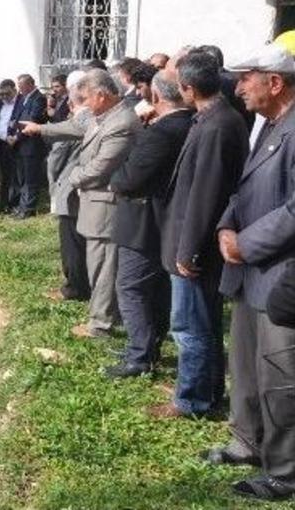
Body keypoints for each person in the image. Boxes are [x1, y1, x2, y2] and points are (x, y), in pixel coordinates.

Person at [208, 43, 295, 500]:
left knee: (280, 374)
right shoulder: (269, 125)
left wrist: (246, 242)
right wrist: (226, 225)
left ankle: (284, 470)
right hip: (247, 272)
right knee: (244, 364)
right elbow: (244, 186)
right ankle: (247, 442)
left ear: (275, 83)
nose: (238, 87)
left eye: (247, 78)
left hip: (279, 273)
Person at [150, 49, 248, 420]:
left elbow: (206, 194)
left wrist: (188, 250)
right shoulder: (213, 118)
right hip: (193, 240)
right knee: (201, 322)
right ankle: (206, 393)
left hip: (195, 245)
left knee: (189, 325)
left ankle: (192, 400)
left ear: (188, 88)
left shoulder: (217, 125)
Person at [22, 69, 139, 338]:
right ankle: (104, 315)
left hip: (106, 205)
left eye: (86, 98)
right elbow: (75, 127)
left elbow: (98, 168)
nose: (83, 105)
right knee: (98, 264)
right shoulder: (104, 116)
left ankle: (101, 324)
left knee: (104, 266)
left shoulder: (120, 122)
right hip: (95, 203)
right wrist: (41, 128)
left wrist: (70, 178)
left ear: (101, 95)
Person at [105, 72, 193, 378]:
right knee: (155, 287)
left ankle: (140, 355)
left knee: (130, 286)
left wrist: (115, 182)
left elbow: (129, 178)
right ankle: (149, 345)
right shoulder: (192, 123)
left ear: (156, 97)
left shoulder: (162, 131)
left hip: (144, 221)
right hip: (167, 219)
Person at [46, 71, 91, 302]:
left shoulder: (75, 124)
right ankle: (84, 283)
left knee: (71, 242)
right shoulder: (99, 120)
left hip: (70, 188)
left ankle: (74, 287)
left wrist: (53, 185)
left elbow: (56, 157)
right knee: (82, 240)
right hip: (87, 190)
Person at [7, 74, 47, 218]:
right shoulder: (22, 97)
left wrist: (17, 136)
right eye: (19, 86)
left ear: (30, 84)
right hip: (19, 146)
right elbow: (15, 117)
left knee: (31, 179)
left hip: (31, 145)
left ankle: (28, 209)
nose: (19, 89)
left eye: (22, 86)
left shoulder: (39, 98)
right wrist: (11, 134)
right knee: (22, 178)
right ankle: (21, 206)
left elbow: (32, 119)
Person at [0, 79, 20, 213]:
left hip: (15, 144)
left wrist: (15, 136)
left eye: (7, 94)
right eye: (1, 94)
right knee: (5, 175)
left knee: (15, 175)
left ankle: (14, 203)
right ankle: (4, 203)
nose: (4, 97)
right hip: (1, 144)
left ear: (14, 90)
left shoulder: (20, 102)